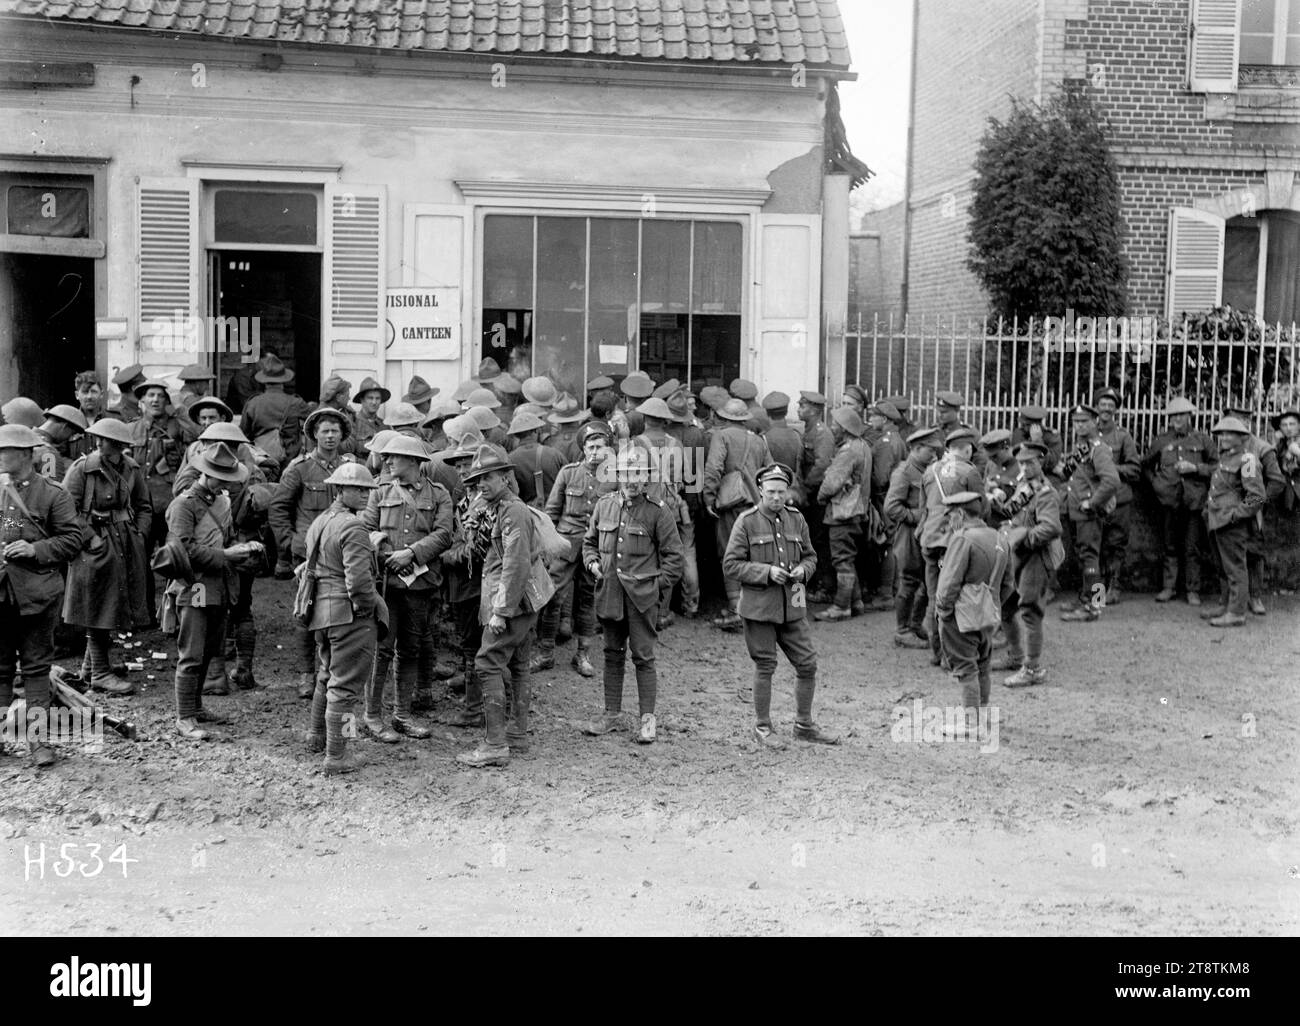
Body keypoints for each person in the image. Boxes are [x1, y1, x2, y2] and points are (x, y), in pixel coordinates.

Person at [723, 463, 839, 749]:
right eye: (771, 492)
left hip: (794, 602)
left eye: (781, 492)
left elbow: (811, 556)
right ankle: (763, 727)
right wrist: (765, 572)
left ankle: (804, 725)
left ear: (788, 491)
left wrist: (803, 570)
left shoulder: (797, 519)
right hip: (760, 607)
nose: (776, 498)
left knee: (808, 663)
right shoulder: (746, 522)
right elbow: (731, 565)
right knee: (765, 665)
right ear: (761, 491)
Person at [456, 444, 551, 768]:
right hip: (524, 600)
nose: (481, 485)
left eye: (488, 478)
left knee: (487, 663)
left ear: (506, 478)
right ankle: (516, 734)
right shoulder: (502, 506)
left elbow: (515, 563)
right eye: (477, 480)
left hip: (513, 601)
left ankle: (495, 744)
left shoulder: (512, 511)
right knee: (519, 663)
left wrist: (500, 611)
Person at [581, 447, 683, 744]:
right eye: (626, 474)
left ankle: (647, 720)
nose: (632, 480)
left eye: (639, 474)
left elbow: (674, 558)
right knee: (612, 654)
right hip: (611, 594)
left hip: (642, 599)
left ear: (647, 477)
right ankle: (611, 715)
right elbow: (589, 543)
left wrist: (654, 587)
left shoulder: (658, 511)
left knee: (643, 657)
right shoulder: (604, 505)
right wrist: (592, 563)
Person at [358, 434, 453, 743]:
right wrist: (385, 551)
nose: (386, 461)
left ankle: (401, 714)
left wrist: (412, 554)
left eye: (393, 457)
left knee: (410, 647)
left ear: (413, 461)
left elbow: (444, 535)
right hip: (386, 584)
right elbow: (366, 529)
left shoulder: (439, 494)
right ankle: (372, 715)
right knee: (382, 648)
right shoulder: (380, 491)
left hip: (421, 585)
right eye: (386, 457)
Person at [164, 443, 262, 740]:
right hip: (193, 584)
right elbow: (182, 549)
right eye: (221, 476)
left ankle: (196, 707)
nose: (226, 482)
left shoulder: (222, 501)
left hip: (220, 585)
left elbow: (227, 537)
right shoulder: (184, 504)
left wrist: (244, 548)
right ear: (205, 474)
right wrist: (226, 555)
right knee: (191, 653)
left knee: (211, 650)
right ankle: (184, 718)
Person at [0, 424, 82, 767]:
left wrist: (35, 549)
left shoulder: (52, 493)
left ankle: (37, 744)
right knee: (0, 669)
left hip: (38, 593)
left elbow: (73, 540)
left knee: (35, 669)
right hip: (1, 593)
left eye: (5, 450)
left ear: (25, 454)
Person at [302, 462, 385, 775]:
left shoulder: (320, 521)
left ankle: (316, 736)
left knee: (328, 674)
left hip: (321, 613)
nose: (364, 495)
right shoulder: (353, 526)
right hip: (348, 615)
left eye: (367, 489)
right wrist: (366, 610)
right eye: (358, 489)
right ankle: (339, 754)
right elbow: (359, 583)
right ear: (341, 489)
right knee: (346, 687)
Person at [61, 418, 152, 697]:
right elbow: (66, 511)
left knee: (113, 602)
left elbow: (144, 506)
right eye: (99, 440)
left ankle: (91, 669)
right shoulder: (82, 469)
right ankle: (100, 673)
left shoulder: (132, 469)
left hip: (125, 542)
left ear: (121, 446)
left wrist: (140, 535)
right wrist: (91, 538)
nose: (101, 445)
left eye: (108, 441)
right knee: (96, 604)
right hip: (94, 544)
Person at [269, 407, 355, 695]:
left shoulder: (351, 467)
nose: (330, 436)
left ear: (342, 435)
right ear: (314, 435)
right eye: (324, 431)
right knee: (306, 611)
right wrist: (291, 541)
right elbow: (278, 508)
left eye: (335, 431)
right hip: (309, 553)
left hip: (343, 551)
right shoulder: (299, 468)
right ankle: (307, 674)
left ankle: (330, 669)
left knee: (340, 610)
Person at [532, 424, 615, 677]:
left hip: (596, 547)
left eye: (599, 447)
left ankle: (583, 654)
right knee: (553, 597)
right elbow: (552, 512)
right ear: (583, 449)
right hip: (566, 546)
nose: (594, 452)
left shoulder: (614, 478)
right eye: (590, 447)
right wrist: (548, 545)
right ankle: (546, 653)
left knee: (588, 599)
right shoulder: (568, 473)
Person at [933, 490, 1013, 741]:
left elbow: (948, 584)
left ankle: (971, 723)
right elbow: (1009, 583)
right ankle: (983, 713)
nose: (949, 521)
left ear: (960, 513)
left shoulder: (962, 539)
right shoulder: (999, 537)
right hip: (990, 613)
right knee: (983, 664)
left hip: (962, 614)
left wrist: (943, 612)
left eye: (951, 516)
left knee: (966, 667)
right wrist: (992, 603)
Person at [994, 441, 1064, 688]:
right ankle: (1015, 655)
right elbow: (1015, 515)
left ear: (1041, 462)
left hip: (1037, 557)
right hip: (1020, 556)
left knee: (1030, 611)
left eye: (1031, 462)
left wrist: (1024, 536)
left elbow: (1052, 527)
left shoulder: (1046, 492)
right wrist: (1010, 527)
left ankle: (1032, 668)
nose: (1026, 466)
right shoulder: (1025, 487)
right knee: (1006, 605)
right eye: (1022, 462)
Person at [917, 427, 986, 666]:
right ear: (967, 449)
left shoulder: (929, 471)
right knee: (955, 597)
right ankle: (951, 655)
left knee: (934, 595)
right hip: (953, 542)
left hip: (930, 540)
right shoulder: (969, 471)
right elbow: (980, 509)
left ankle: (936, 652)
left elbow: (923, 509)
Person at [439, 439, 494, 729]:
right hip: (463, 585)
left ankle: (475, 709)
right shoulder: (464, 500)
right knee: (470, 646)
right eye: (458, 465)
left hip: (476, 585)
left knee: (475, 648)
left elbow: (477, 550)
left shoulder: (483, 503)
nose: (461, 470)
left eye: (466, 464)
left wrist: (446, 556)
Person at [703, 398, 772, 629]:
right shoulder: (758, 440)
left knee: (729, 554)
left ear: (724, 417)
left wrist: (709, 497)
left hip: (731, 503)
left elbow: (714, 467)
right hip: (755, 503)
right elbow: (770, 471)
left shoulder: (721, 436)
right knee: (752, 553)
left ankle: (736, 609)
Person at [1143, 398, 1213, 605]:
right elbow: (1145, 465)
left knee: (1193, 547)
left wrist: (1196, 468)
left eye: (1181, 415)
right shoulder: (1162, 440)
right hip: (1169, 500)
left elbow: (1217, 467)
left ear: (1190, 416)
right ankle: (1169, 587)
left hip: (1193, 501)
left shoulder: (1202, 440)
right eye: (1173, 416)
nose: (1177, 419)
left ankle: (1193, 590)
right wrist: (1157, 484)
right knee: (1169, 545)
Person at [635, 396, 697, 626]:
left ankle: (647, 609)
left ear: (645, 419)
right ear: (664, 421)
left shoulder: (636, 443)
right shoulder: (676, 443)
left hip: (645, 506)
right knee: (669, 557)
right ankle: (663, 612)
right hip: (671, 506)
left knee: (645, 556)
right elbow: (686, 477)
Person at [1200, 417, 1267, 628]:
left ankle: (1237, 612)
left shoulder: (1247, 460)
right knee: (1223, 566)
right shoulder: (1225, 457)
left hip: (1231, 523)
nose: (1224, 438)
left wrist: (1236, 515)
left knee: (1235, 567)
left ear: (1242, 437)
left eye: (1230, 434)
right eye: (1221, 434)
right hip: (1216, 519)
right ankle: (1226, 604)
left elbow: (1256, 495)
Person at [1060, 404, 1120, 623]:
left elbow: (1112, 481)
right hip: (1077, 512)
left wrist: (1092, 503)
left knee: (1091, 559)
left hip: (1089, 514)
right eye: (1076, 422)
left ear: (1095, 422)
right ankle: (1089, 598)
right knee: (1086, 558)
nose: (1079, 426)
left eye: (1084, 421)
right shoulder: (1082, 447)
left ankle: (1094, 606)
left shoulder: (1098, 448)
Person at [1223, 402, 1285, 615]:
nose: (1236, 426)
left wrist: (1258, 504)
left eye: (1241, 421)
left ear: (1248, 423)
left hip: (1254, 510)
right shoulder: (1225, 447)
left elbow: (1277, 481)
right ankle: (1230, 600)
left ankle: (1255, 596)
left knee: (1254, 552)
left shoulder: (1262, 448)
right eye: (1231, 422)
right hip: (1229, 510)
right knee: (1229, 553)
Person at [884, 426, 941, 649]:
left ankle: (915, 625)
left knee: (927, 584)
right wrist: (918, 516)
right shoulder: (904, 472)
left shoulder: (929, 470)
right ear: (916, 449)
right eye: (930, 450)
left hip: (926, 534)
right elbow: (891, 507)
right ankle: (902, 630)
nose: (935, 454)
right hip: (909, 534)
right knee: (908, 581)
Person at [814, 406, 871, 622]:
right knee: (848, 558)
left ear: (845, 429)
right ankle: (855, 602)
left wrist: (820, 497)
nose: (833, 428)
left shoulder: (848, 451)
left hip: (842, 512)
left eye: (836, 425)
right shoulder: (862, 446)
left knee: (842, 560)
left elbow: (831, 483)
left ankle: (841, 607)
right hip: (857, 511)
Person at [1094, 388, 1140, 604]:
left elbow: (1134, 469)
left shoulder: (1123, 436)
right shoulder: (1088, 435)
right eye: (1103, 404)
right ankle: (1097, 593)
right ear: (1097, 406)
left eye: (1110, 405)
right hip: (1095, 499)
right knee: (1095, 546)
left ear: (1115, 410)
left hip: (1119, 499)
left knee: (1116, 546)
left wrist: (1112, 468)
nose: (1106, 408)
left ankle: (1114, 587)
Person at [238, 355, 311, 470]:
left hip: (262, 462)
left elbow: (243, 435)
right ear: (284, 380)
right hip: (291, 463)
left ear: (264, 381)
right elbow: (316, 421)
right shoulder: (296, 402)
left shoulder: (253, 403)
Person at [797, 391, 836, 600]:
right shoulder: (809, 430)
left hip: (818, 496)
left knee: (820, 542)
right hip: (811, 495)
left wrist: (804, 486)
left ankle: (825, 587)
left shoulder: (822, 433)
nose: (798, 409)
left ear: (813, 410)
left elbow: (822, 465)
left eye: (802, 406)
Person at [507, 410, 566, 506]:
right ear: (536, 430)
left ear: (515, 434)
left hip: (525, 514)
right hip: (554, 514)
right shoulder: (555, 454)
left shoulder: (509, 460)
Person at [34, 404, 88, 483]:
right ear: (64, 427)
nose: (68, 438)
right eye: (72, 433)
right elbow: (52, 491)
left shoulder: (23, 438)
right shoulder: (49, 454)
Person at [980, 429, 1020, 527]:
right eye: (989, 457)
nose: (992, 460)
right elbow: (984, 487)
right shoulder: (991, 464)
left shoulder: (1021, 466)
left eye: (995, 456)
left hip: (1013, 523)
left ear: (1006, 448)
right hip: (991, 522)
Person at [68, 371, 111, 461]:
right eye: (85, 392)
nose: (89, 396)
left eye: (94, 392)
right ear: (77, 395)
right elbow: (60, 454)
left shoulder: (112, 421)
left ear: (102, 394)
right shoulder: (68, 423)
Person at [761, 393, 802, 485]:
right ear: (786, 412)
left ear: (767, 413)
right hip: (794, 486)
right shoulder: (797, 435)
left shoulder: (764, 438)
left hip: (772, 486)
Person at [175, 363, 216, 443]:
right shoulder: (194, 402)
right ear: (198, 383)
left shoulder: (174, 397)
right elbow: (201, 430)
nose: (207, 387)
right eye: (206, 382)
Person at [1273, 408, 1300, 513]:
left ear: (1299, 425)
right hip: (1284, 497)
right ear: (1280, 428)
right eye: (1284, 425)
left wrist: (1297, 452)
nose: (1288, 428)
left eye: (1292, 424)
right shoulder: (1281, 444)